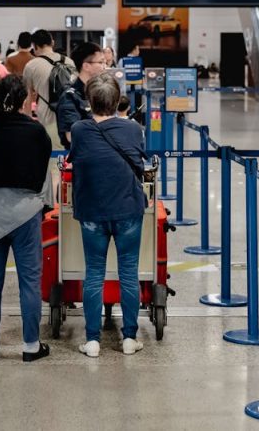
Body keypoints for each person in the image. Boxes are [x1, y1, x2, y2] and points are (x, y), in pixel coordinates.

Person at [0, 75, 53, 362]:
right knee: (29, 280)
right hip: (26, 212)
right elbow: (44, 177)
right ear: (25, 101)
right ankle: (31, 346)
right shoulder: (36, 132)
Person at [68, 73, 147, 357]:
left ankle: (92, 340)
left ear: (89, 101)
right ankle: (129, 337)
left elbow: (74, 158)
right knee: (128, 272)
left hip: (92, 211)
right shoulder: (133, 129)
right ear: (117, 102)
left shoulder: (79, 130)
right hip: (127, 209)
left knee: (94, 274)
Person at [23, 29, 76, 145]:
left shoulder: (31, 66)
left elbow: (27, 97)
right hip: (69, 119)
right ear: (52, 43)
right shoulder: (69, 62)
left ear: (35, 46)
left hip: (46, 119)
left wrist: (27, 122)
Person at [55, 42, 105, 148]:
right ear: (86, 66)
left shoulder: (100, 92)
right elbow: (71, 136)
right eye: (100, 62)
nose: (104, 67)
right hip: (82, 158)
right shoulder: (70, 97)